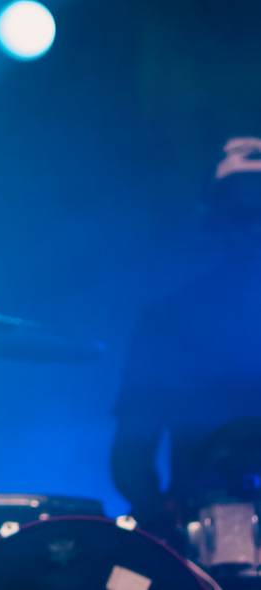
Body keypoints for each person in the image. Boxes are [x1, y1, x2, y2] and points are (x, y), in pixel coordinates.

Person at [111, 136, 261, 565]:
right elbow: (129, 455)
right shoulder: (169, 322)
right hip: (196, 537)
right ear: (216, 218)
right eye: (241, 212)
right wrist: (163, 525)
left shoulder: (167, 318)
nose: (252, 226)